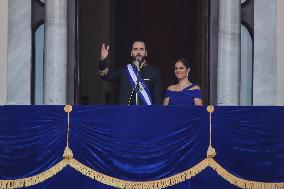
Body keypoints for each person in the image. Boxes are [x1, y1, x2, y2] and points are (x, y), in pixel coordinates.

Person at [98, 41, 162, 105]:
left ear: (146, 53)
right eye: (135, 49)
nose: (138, 52)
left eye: (141, 49)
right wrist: (102, 60)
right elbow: (106, 76)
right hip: (126, 113)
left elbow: (157, 98)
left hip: (146, 113)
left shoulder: (154, 72)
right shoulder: (124, 70)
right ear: (131, 53)